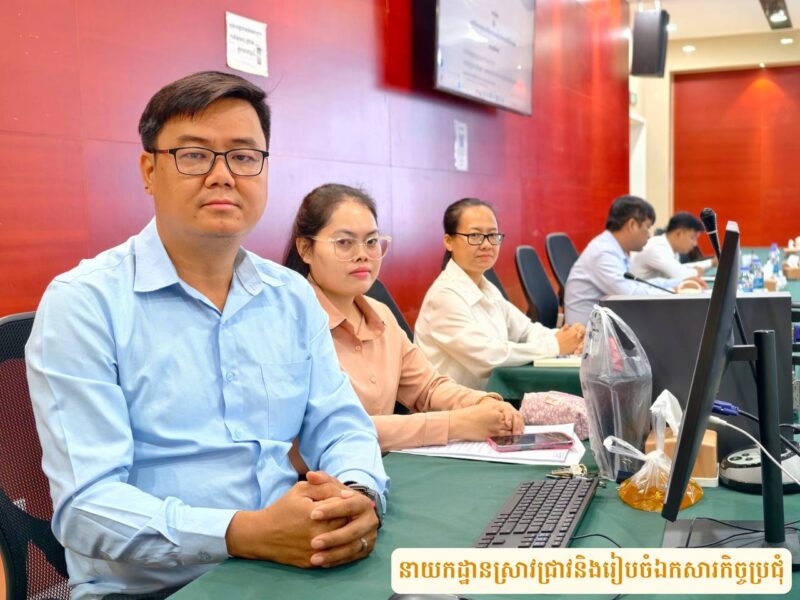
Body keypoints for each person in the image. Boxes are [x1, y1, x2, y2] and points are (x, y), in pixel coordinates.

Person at [25, 72, 387, 599]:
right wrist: (244, 534)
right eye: (194, 155)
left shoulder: (290, 296)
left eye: (243, 156)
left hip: (290, 567)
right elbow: (87, 506)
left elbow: (339, 425)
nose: (223, 176)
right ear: (150, 171)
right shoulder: (84, 304)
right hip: (155, 590)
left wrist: (356, 492)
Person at [283, 184, 524, 452]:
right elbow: (329, 432)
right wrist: (456, 424)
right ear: (305, 249)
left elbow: (428, 388)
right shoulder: (289, 324)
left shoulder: (381, 314)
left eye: (371, 241)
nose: (363, 254)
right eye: (344, 242)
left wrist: (482, 403)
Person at [414, 198, 584, 390]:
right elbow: (488, 357)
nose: (487, 245)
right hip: (451, 405)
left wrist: (570, 337)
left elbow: (525, 331)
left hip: (488, 398)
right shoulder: (444, 297)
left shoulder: (487, 288)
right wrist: (555, 345)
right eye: (475, 235)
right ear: (449, 241)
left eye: (492, 235)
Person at [564, 195, 704, 325]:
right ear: (632, 225)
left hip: (603, 327)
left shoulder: (616, 250)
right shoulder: (603, 253)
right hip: (586, 336)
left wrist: (679, 282)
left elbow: (638, 285)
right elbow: (630, 295)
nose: (649, 235)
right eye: (647, 227)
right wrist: (673, 290)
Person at [630, 211, 715, 281]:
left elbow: (680, 268)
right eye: (692, 238)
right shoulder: (657, 247)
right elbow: (682, 275)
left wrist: (711, 263)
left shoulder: (670, 249)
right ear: (679, 233)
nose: (695, 244)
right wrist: (696, 272)